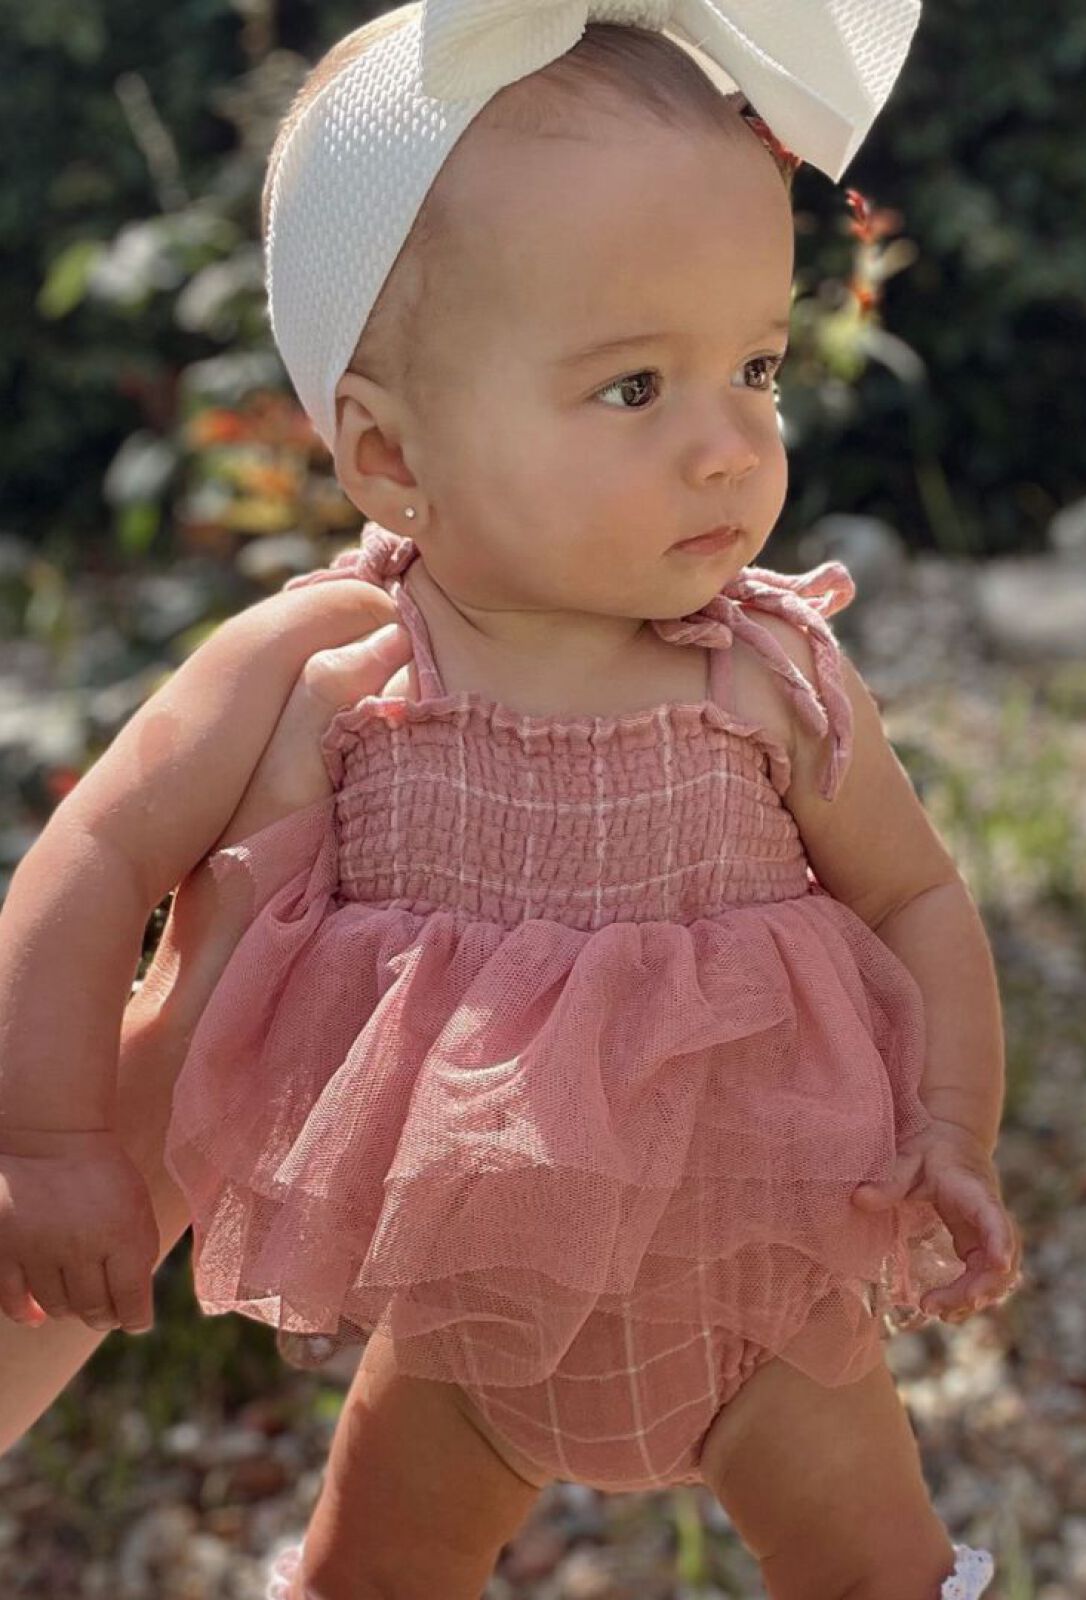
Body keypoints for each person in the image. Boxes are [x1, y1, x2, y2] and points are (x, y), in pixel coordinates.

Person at [0, 3, 1024, 1597]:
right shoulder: (330, 665)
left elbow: (917, 896)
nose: (729, 444)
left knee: (880, 1573)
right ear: (387, 452)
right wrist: (53, 1142)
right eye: (634, 390)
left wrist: (954, 1125)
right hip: (466, 1328)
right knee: (369, 1575)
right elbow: (90, 858)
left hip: (758, 1309)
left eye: (753, 364)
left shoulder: (768, 670)